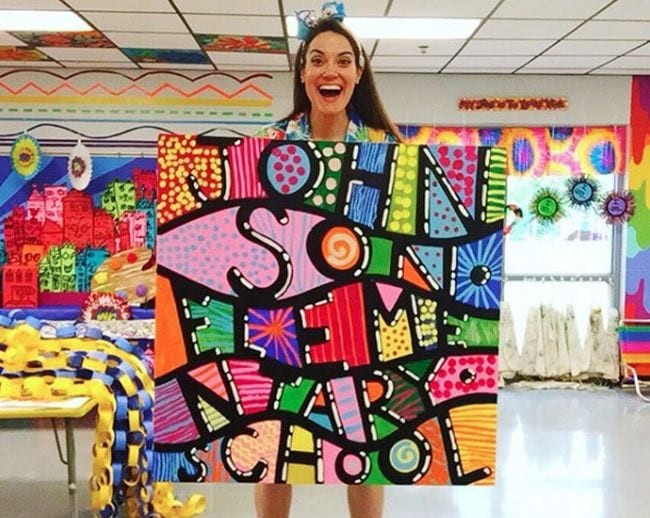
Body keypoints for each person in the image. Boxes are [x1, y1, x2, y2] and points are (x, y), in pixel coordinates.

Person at [255, 3, 402, 517]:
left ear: (358, 74)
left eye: (342, 61)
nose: (329, 70)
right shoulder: (271, 145)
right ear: (302, 73)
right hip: (279, 316)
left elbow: (407, 236)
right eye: (317, 60)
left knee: (365, 449)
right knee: (273, 447)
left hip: (361, 314)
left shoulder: (386, 149)